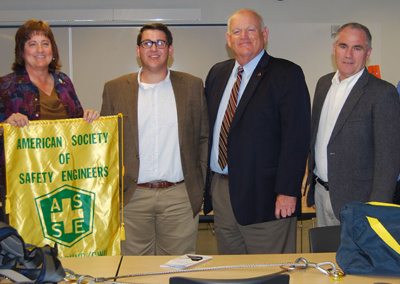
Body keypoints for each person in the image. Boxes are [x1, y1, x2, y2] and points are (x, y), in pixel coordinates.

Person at [203, 9, 311, 254]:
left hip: (267, 197)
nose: (244, 36)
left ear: (264, 34)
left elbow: (297, 139)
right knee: (231, 272)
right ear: (228, 39)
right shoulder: (217, 74)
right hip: (222, 191)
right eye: (237, 31)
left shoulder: (286, 74)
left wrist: (287, 191)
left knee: (269, 272)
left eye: (251, 30)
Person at [100, 23, 208, 255]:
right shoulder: (114, 89)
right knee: (134, 270)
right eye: (147, 43)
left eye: (161, 43)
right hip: (132, 197)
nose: (154, 48)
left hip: (179, 196)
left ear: (170, 50)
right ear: (138, 50)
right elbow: (106, 146)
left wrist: (198, 186)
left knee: (178, 268)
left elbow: (203, 138)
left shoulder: (192, 86)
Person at [0, 19, 99, 222]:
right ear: (22, 51)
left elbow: (76, 126)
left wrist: (88, 119)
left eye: (45, 43)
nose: (40, 50)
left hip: (62, 179)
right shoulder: (6, 86)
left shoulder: (64, 82)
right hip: (23, 183)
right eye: (32, 44)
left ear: (53, 50)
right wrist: (5, 126)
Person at [307, 22, 400, 226]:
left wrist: (376, 209)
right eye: (343, 46)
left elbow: (388, 160)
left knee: (356, 259)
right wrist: (313, 190)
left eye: (357, 48)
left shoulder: (382, 93)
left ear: (368, 52)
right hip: (322, 196)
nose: (348, 54)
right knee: (326, 257)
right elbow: (318, 140)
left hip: (360, 202)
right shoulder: (323, 84)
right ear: (334, 49)